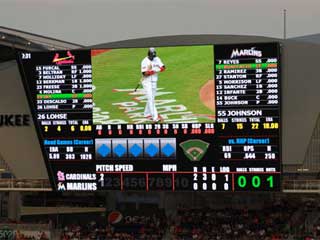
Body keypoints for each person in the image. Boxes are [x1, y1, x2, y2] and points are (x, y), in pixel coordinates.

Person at [141, 47, 165, 122]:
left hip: (154, 82)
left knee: (151, 98)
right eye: (152, 56)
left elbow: (163, 67)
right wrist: (153, 71)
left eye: (153, 56)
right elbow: (144, 73)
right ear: (149, 54)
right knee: (151, 99)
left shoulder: (157, 59)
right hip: (147, 82)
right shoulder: (144, 61)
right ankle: (155, 117)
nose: (153, 57)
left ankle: (146, 113)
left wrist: (159, 69)